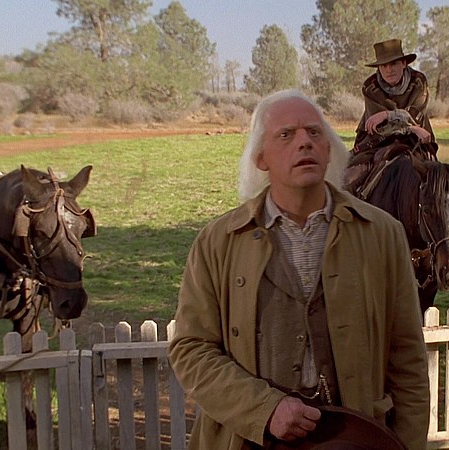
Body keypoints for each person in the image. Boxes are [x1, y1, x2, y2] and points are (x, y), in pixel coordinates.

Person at [168, 89, 430, 450]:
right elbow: (191, 349)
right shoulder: (218, 242)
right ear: (261, 157)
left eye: (314, 132)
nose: (304, 142)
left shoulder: (382, 234)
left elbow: (408, 360)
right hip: (248, 441)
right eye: (286, 134)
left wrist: (407, 446)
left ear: (328, 150)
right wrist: (265, 409)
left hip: (355, 440)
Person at [346, 38, 449, 231]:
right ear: (379, 68)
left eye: (393, 64)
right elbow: (378, 127)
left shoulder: (419, 82)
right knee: (348, 178)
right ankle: (348, 224)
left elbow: (415, 115)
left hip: (415, 141)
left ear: (404, 63)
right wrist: (411, 126)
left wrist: (389, 115)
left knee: (440, 178)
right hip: (376, 143)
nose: (389, 70)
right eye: (384, 66)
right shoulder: (370, 87)